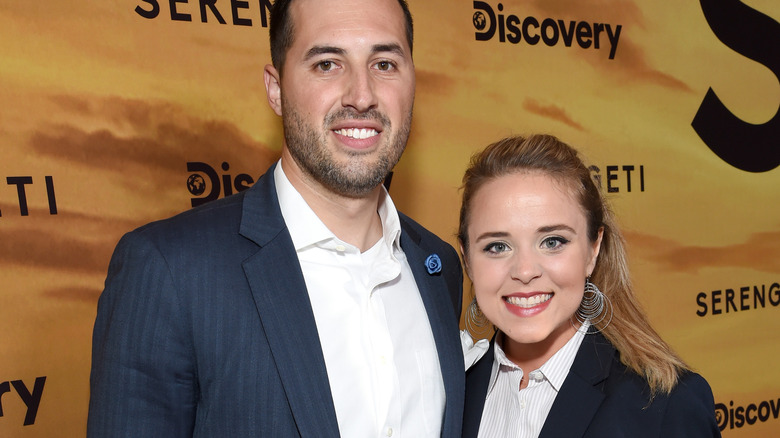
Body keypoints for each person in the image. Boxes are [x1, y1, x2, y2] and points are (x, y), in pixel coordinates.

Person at [87, 0, 465, 436]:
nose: (361, 95)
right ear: (276, 89)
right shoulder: (170, 270)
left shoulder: (438, 267)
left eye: (384, 63)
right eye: (327, 64)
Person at [458, 134, 721, 437]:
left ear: (593, 250)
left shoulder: (666, 406)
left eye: (553, 241)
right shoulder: (448, 390)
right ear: (467, 260)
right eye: (497, 246)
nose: (525, 271)